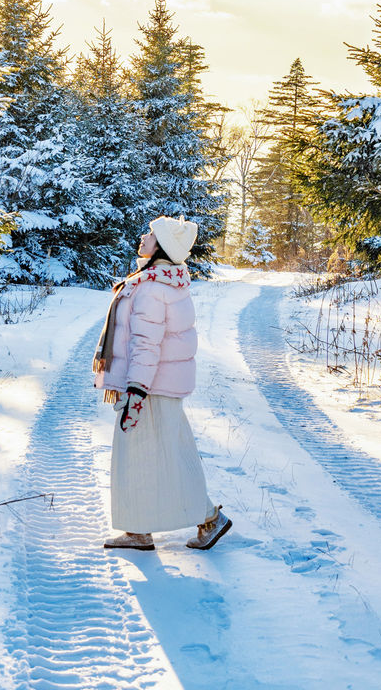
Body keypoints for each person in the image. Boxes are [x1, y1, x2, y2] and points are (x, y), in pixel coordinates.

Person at [93, 214, 232, 551]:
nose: (143, 236)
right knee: (168, 453)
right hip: (159, 385)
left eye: (151, 234)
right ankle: (150, 527)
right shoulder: (161, 281)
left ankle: (203, 519)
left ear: (162, 247)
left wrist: (136, 391)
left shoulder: (153, 288)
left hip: (150, 386)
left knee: (142, 455)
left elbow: (146, 344)